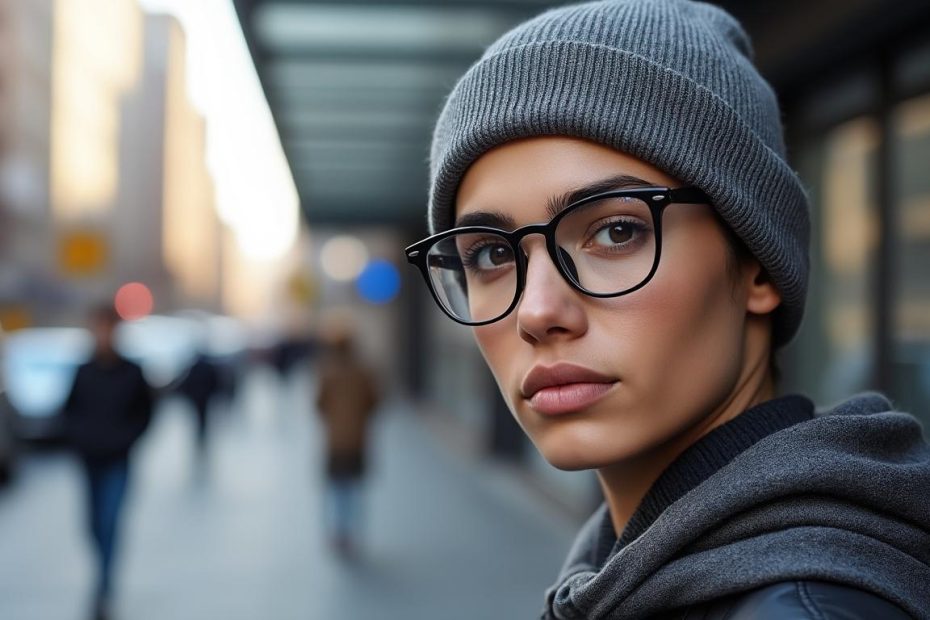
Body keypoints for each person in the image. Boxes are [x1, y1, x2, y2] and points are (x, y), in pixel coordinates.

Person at [405, 1, 930, 618]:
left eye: (617, 232)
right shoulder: (624, 573)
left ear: (757, 263)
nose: (537, 310)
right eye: (491, 253)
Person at [63, 306, 153, 620]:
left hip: (117, 459)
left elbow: (146, 413)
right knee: (91, 525)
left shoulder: (132, 371)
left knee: (110, 521)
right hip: (89, 460)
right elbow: (68, 410)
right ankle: (102, 576)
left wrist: (125, 438)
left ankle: (103, 586)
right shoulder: (83, 370)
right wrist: (79, 437)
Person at [314, 319, 379, 557]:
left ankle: (338, 532)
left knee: (336, 489)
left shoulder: (327, 371)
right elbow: (376, 401)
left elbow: (318, 404)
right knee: (354, 489)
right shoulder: (363, 372)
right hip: (358, 441)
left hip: (334, 442)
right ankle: (351, 532)